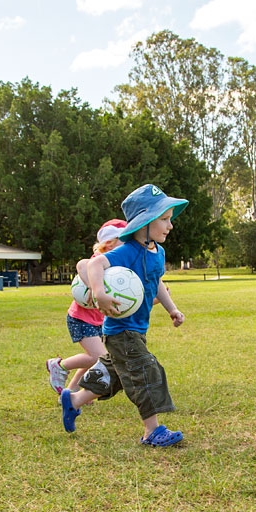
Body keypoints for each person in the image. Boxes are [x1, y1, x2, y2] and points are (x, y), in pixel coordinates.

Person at [59, 185, 187, 447]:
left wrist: (171, 308)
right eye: (164, 219)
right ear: (145, 222)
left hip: (137, 329)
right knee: (143, 371)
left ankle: (73, 401)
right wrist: (99, 293)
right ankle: (151, 431)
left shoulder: (158, 252)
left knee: (114, 376)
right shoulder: (128, 251)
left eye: (169, 219)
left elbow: (157, 281)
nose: (170, 225)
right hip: (120, 330)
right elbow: (93, 263)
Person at [45, 219, 127, 396]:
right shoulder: (100, 260)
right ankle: (59, 366)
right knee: (99, 357)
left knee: (97, 358)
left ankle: (73, 389)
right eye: (124, 241)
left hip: (99, 321)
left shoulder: (118, 266)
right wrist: (91, 286)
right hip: (80, 319)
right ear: (109, 244)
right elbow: (81, 265)